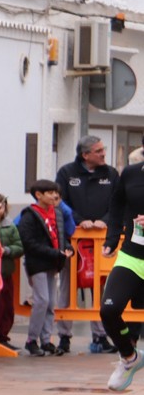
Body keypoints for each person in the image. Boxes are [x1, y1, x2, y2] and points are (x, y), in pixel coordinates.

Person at [57, 136, 118, 353]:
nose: (103, 153)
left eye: (104, 149)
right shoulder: (67, 173)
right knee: (67, 286)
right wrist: (79, 220)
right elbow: (59, 201)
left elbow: (118, 203)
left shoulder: (111, 174)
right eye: (99, 150)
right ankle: (64, 336)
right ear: (85, 154)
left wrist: (105, 220)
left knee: (101, 287)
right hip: (74, 240)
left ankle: (100, 336)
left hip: (101, 241)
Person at [18, 180, 74, 358]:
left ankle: (46, 339)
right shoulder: (30, 215)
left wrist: (67, 248)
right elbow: (28, 242)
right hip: (38, 263)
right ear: (38, 195)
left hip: (53, 262)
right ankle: (31, 340)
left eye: (55, 192)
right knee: (41, 300)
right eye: (49, 193)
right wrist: (53, 252)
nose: (54, 196)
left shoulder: (56, 213)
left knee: (50, 303)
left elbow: (62, 235)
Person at [102, 157, 144, 391]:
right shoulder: (131, 172)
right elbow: (116, 204)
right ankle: (130, 358)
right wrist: (112, 239)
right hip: (132, 256)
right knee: (109, 309)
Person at [0, 192, 23, 346]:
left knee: (7, 305)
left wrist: (7, 250)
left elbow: (19, 246)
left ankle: (3, 334)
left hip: (6, 271)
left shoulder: (10, 225)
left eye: (0, 206)